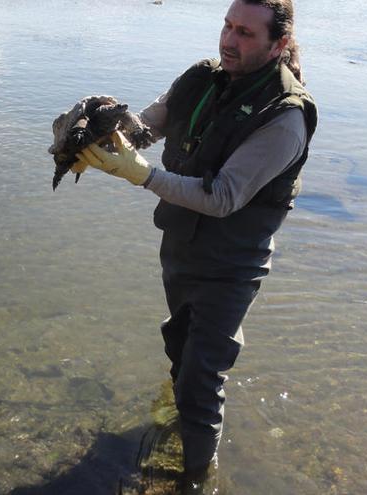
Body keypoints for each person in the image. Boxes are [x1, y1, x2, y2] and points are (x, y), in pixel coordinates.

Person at [74, 0, 316, 491]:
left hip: (230, 266)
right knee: (179, 346)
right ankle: (175, 419)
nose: (230, 40)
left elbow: (225, 196)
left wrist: (140, 175)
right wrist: (107, 129)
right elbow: (148, 127)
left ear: (279, 44)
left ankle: (194, 481)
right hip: (180, 247)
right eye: (228, 26)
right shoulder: (202, 78)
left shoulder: (285, 117)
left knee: (202, 381)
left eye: (246, 33)